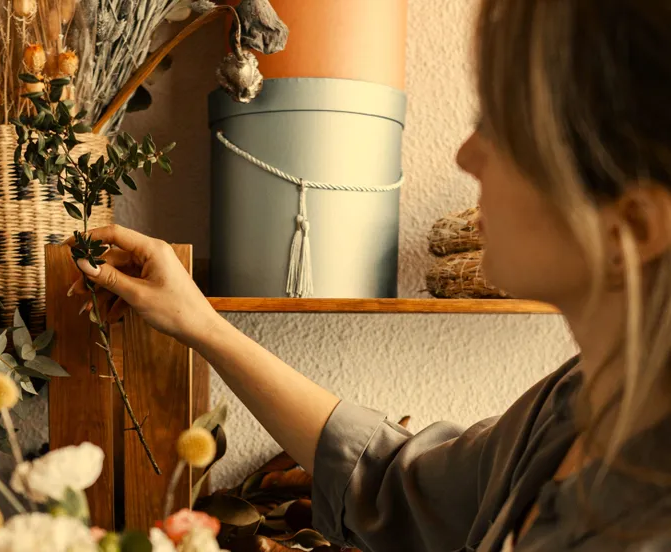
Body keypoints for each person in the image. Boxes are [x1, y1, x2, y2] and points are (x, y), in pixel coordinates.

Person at [66, 0, 671, 550]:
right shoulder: (573, 404)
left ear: (636, 224)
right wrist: (201, 324)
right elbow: (396, 485)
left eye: (506, 124)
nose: (466, 155)